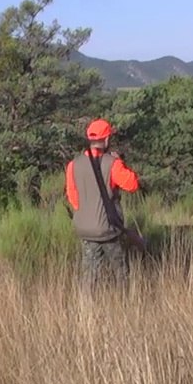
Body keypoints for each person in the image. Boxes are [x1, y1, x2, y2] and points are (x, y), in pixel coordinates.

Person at [64, 118, 140, 290]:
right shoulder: (113, 164)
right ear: (106, 140)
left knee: (89, 276)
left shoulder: (73, 165)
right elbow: (133, 185)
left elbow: (73, 198)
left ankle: (86, 310)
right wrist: (120, 162)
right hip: (108, 230)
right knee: (120, 274)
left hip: (85, 229)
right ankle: (123, 305)